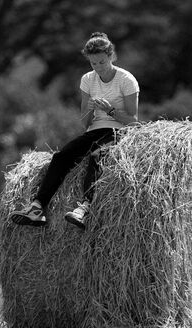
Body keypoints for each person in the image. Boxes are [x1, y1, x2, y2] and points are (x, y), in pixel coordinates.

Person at [9, 32, 139, 230]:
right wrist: (91, 108)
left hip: (119, 132)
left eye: (102, 62)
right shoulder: (87, 80)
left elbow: (133, 122)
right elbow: (85, 123)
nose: (98, 68)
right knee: (61, 157)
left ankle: (85, 208)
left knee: (98, 156)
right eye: (93, 63)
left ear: (111, 56)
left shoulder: (126, 80)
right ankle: (37, 208)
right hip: (95, 130)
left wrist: (110, 110)